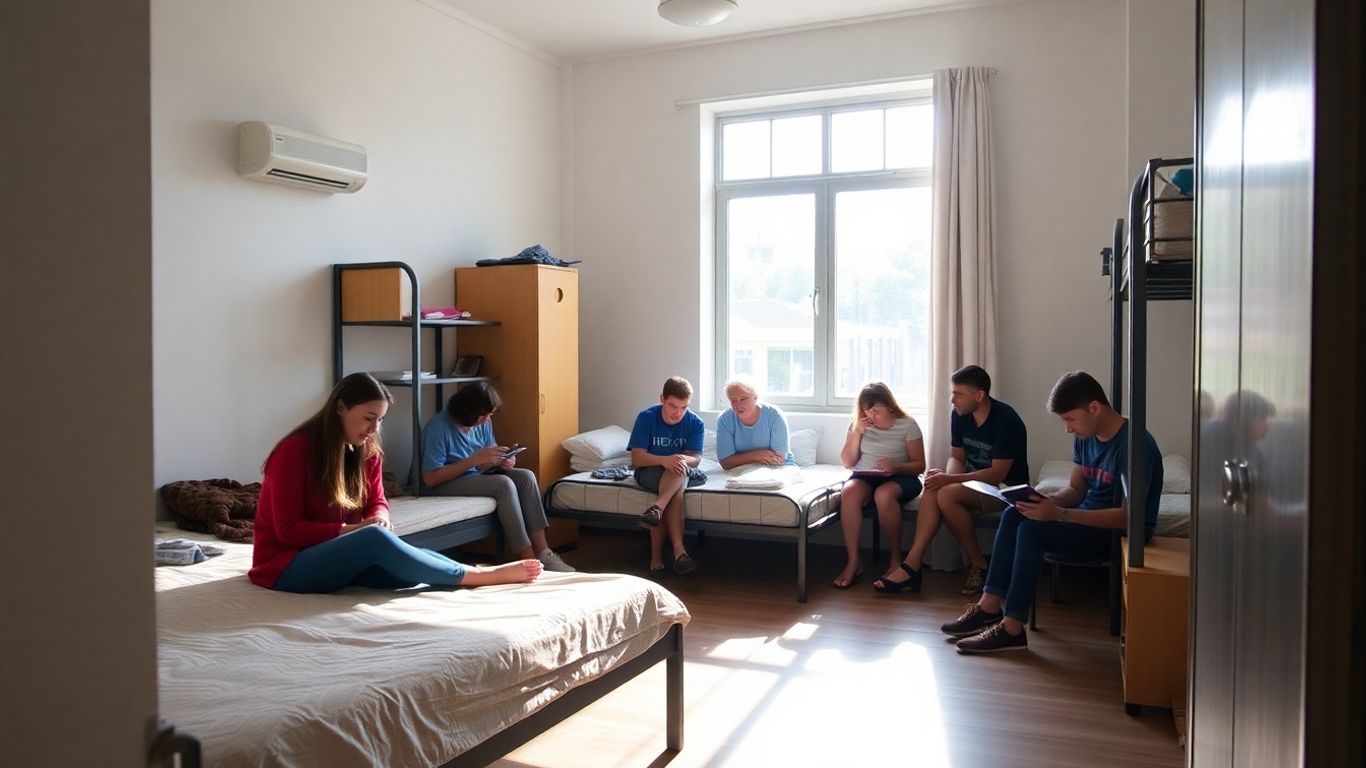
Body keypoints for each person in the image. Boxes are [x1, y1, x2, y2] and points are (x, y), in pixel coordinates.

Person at [249, 373, 542, 593]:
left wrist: (380, 516)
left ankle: (467, 570)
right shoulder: (294, 451)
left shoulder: (366, 451)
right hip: (285, 567)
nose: (373, 428)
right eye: (368, 418)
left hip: (337, 557)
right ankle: (479, 577)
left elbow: (378, 500)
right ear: (340, 408)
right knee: (374, 541)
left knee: (406, 566)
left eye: (380, 420)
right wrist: (353, 530)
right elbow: (288, 532)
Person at [943, 370, 1162, 653]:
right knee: (1015, 515)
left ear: (1094, 407)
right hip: (1087, 519)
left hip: (1116, 533)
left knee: (1032, 531)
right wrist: (1043, 502)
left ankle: (1012, 629)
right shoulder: (1087, 436)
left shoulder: (1135, 446)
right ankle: (989, 606)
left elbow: (1128, 518)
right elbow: (1076, 489)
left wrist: (1059, 515)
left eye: (1070, 419)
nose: (1068, 429)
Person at [873, 365, 1029, 596]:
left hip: (1005, 490)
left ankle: (977, 564)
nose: (952, 399)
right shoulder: (960, 415)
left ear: (979, 395)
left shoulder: (1006, 420)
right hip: (974, 483)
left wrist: (951, 479)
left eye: (958, 394)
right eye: (952, 392)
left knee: (945, 491)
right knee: (936, 487)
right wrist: (945, 478)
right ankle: (913, 564)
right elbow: (957, 456)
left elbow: (998, 474)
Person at [419, 381, 575, 572]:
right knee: (503, 484)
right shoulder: (438, 427)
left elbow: (486, 458)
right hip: (440, 484)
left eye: (490, 414)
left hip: (472, 475)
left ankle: (544, 552)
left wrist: (501, 460)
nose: (487, 419)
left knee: (525, 477)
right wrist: (474, 460)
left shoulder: (483, 422)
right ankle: (528, 560)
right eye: (484, 415)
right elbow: (430, 478)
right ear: (468, 412)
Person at [833, 382, 926, 589]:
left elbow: (920, 465)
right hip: (867, 475)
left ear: (890, 407)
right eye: (867, 410)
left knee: (884, 494)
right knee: (848, 492)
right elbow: (847, 462)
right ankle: (853, 562)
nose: (871, 415)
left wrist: (896, 467)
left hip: (901, 477)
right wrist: (857, 433)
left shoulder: (908, 424)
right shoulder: (859, 425)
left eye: (876, 410)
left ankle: (895, 559)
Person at [629, 376, 707, 576]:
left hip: (678, 471)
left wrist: (677, 459)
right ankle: (679, 552)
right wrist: (664, 460)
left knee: (676, 475)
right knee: (676, 485)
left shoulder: (695, 423)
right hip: (649, 469)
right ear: (662, 399)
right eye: (673, 406)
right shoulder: (646, 417)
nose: (678, 413)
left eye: (684, 407)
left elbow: (695, 459)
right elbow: (637, 458)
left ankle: (657, 514)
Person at [715, 377, 794, 470]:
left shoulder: (774, 415)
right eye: (733, 400)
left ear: (755, 397)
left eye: (743, 399)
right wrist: (756, 455)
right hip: (740, 469)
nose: (738, 405)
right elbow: (725, 462)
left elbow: (778, 459)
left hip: (779, 467)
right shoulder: (725, 419)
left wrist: (738, 459)